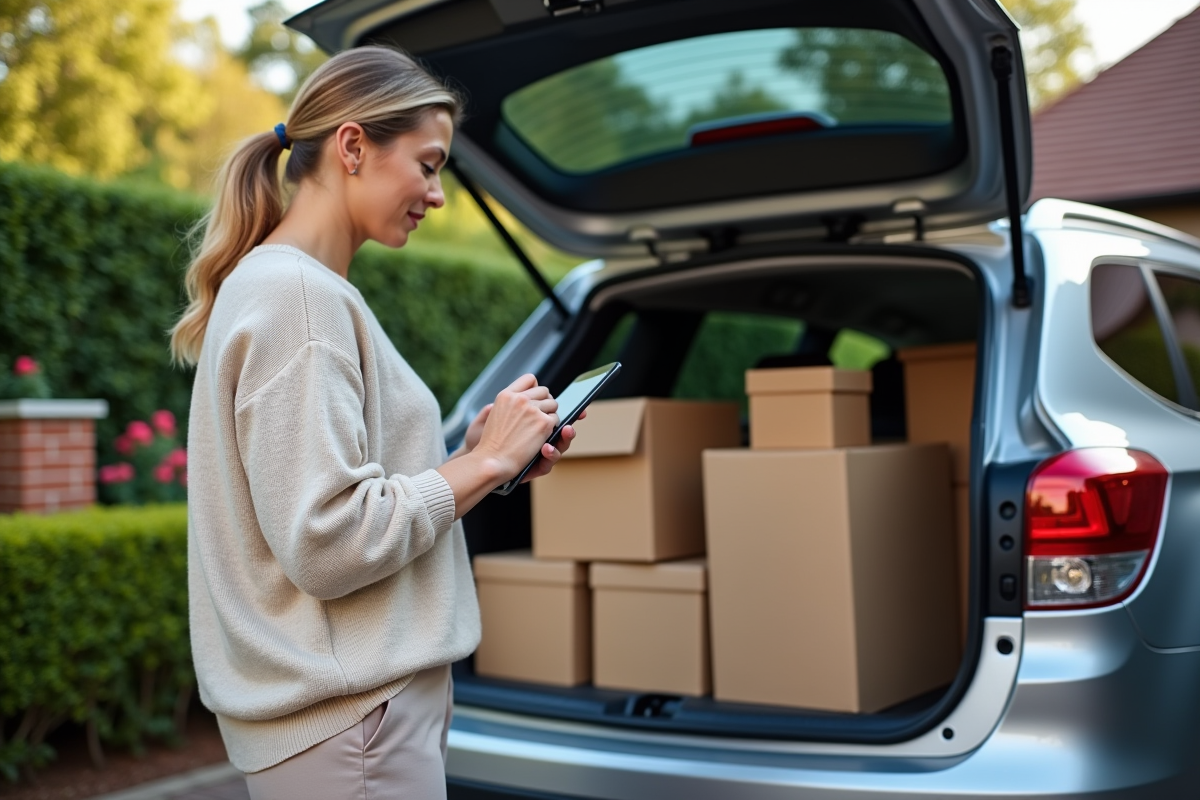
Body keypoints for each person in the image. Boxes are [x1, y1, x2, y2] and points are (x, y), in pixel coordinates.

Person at [169, 46, 576, 799]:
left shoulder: (286, 287)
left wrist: (480, 453)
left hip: (350, 723)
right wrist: (480, 466)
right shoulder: (300, 299)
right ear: (353, 146)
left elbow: (333, 499)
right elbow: (328, 539)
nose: (438, 193)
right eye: (429, 164)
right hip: (352, 729)